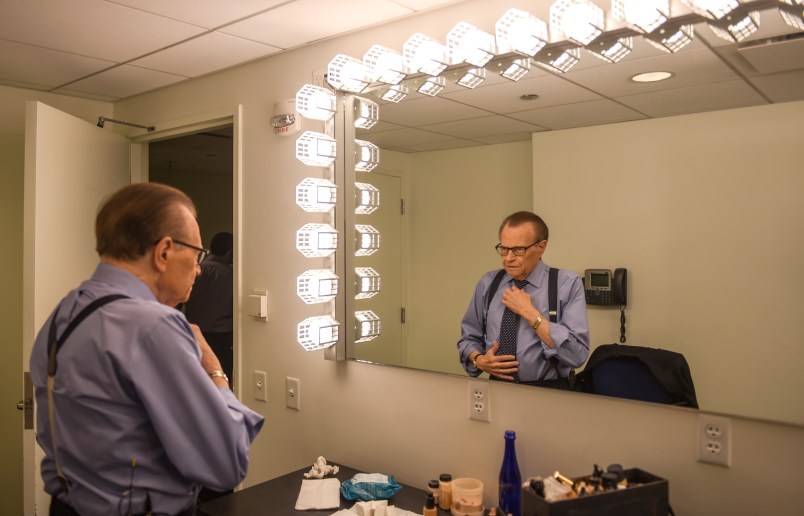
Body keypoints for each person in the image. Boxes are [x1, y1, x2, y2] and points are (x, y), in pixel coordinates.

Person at [29, 183, 264, 516]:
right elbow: (226, 464)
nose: (199, 268)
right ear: (164, 252)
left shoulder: (63, 314)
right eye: (196, 254)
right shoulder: (155, 327)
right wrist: (214, 370)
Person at [457, 211, 590, 386]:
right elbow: (468, 338)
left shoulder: (566, 284)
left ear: (541, 247)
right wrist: (479, 360)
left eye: (519, 250)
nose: (508, 258)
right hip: (497, 388)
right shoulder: (488, 283)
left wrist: (529, 313)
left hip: (549, 391)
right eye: (504, 249)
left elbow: (577, 354)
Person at [184, 231, 234, 383]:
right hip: (222, 336)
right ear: (230, 253)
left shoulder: (197, 270)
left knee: (196, 379)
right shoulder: (231, 275)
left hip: (194, 332)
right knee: (219, 378)